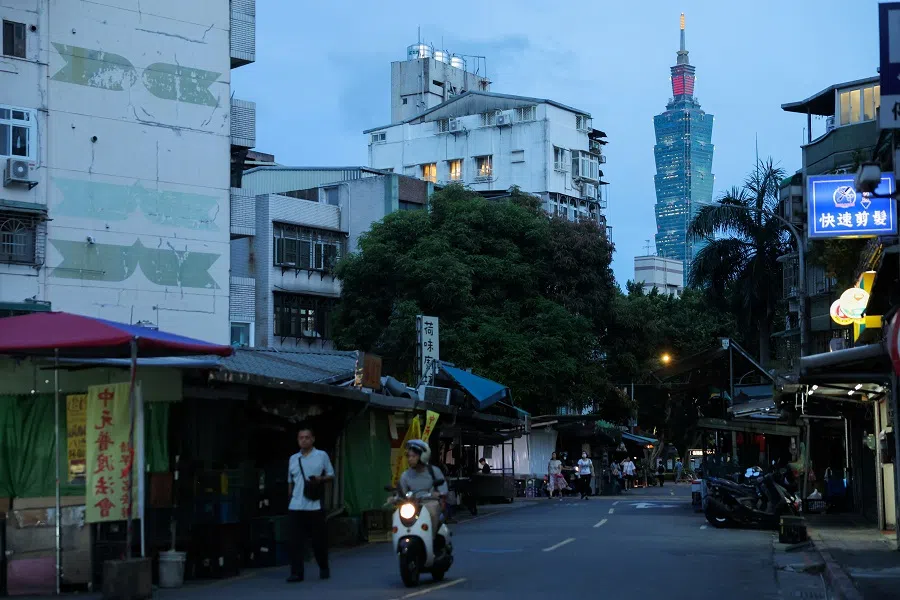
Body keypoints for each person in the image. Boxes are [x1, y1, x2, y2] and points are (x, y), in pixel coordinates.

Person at [287, 425, 334, 583]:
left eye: (307, 437)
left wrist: (320, 479)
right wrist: (290, 498)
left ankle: (323, 566)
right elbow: (290, 481)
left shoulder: (321, 456)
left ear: (313, 439)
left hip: (314, 505)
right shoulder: (293, 459)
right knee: (295, 542)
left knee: (318, 541)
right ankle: (296, 573)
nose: (304, 440)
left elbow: (331, 475)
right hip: (295, 505)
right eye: (301, 438)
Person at [399, 439, 449, 533]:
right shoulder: (405, 475)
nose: (410, 459)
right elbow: (402, 492)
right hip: (412, 505)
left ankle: (432, 538)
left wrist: (439, 494)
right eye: (408, 456)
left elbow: (443, 488)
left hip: (430, 502)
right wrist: (395, 498)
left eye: (413, 456)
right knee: (396, 516)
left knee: (433, 512)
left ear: (423, 456)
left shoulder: (434, 471)